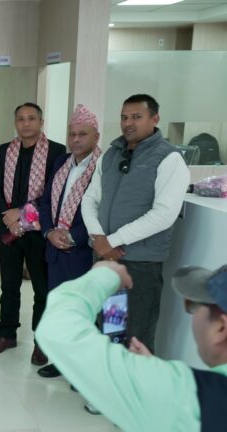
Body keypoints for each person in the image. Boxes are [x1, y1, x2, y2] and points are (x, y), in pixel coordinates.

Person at [36, 261, 227, 431]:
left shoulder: (184, 397)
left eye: (194, 306)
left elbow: (57, 328)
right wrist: (150, 376)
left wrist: (104, 275)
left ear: (221, 327)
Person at [81, 94, 189, 353]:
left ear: (155, 119)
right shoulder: (110, 155)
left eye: (136, 117)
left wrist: (113, 241)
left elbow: (164, 214)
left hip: (140, 265)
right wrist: (98, 237)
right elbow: (90, 198)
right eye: (124, 117)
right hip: (107, 260)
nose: (128, 123)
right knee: (110, 327)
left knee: (137, 335)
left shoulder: (169, 158)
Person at [0, 103, 65, 366]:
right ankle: (7, 335)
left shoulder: (56, 151)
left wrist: (20, 212)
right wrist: (7, 216)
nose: (26, 123)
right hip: (9, 230)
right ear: (15, 123)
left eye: (31, 118)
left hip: (38, 232)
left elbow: (53, 191)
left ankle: (40, 342)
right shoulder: (5, 150)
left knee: (41, 289)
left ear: (41, 121)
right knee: (9, 286)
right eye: (21, 119)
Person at [35, 104, 102, 378]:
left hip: (83, 253)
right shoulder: (62, 162)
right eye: (72, 134)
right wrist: (48, 231)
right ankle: (61, 362)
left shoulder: (103, 167)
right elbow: (46, 201)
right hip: (55, 249)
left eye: (82, 134)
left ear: (96, 136)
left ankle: (82, 369)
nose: (76, 139)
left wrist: (75, 236)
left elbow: (102, 211)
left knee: (84, 313)